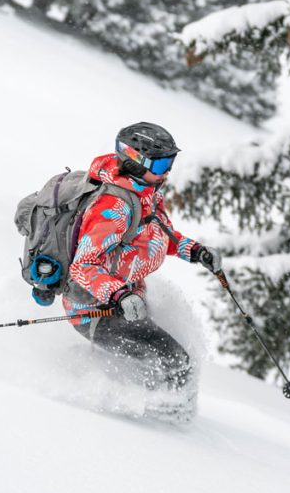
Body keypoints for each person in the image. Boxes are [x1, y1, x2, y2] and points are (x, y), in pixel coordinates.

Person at [62, 122, 222, 391]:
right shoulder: (114, 207)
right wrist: (119, 295)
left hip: (126, 304)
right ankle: (160, 423)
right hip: (97, 312)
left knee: (171, 360)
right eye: (160, 166)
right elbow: (84, 266)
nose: (167, 172)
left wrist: (194, 251)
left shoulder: (146, 195)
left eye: (170, 163)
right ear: (135, 162)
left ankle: (157, 411)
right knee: (176, 362)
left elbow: (159, 236)